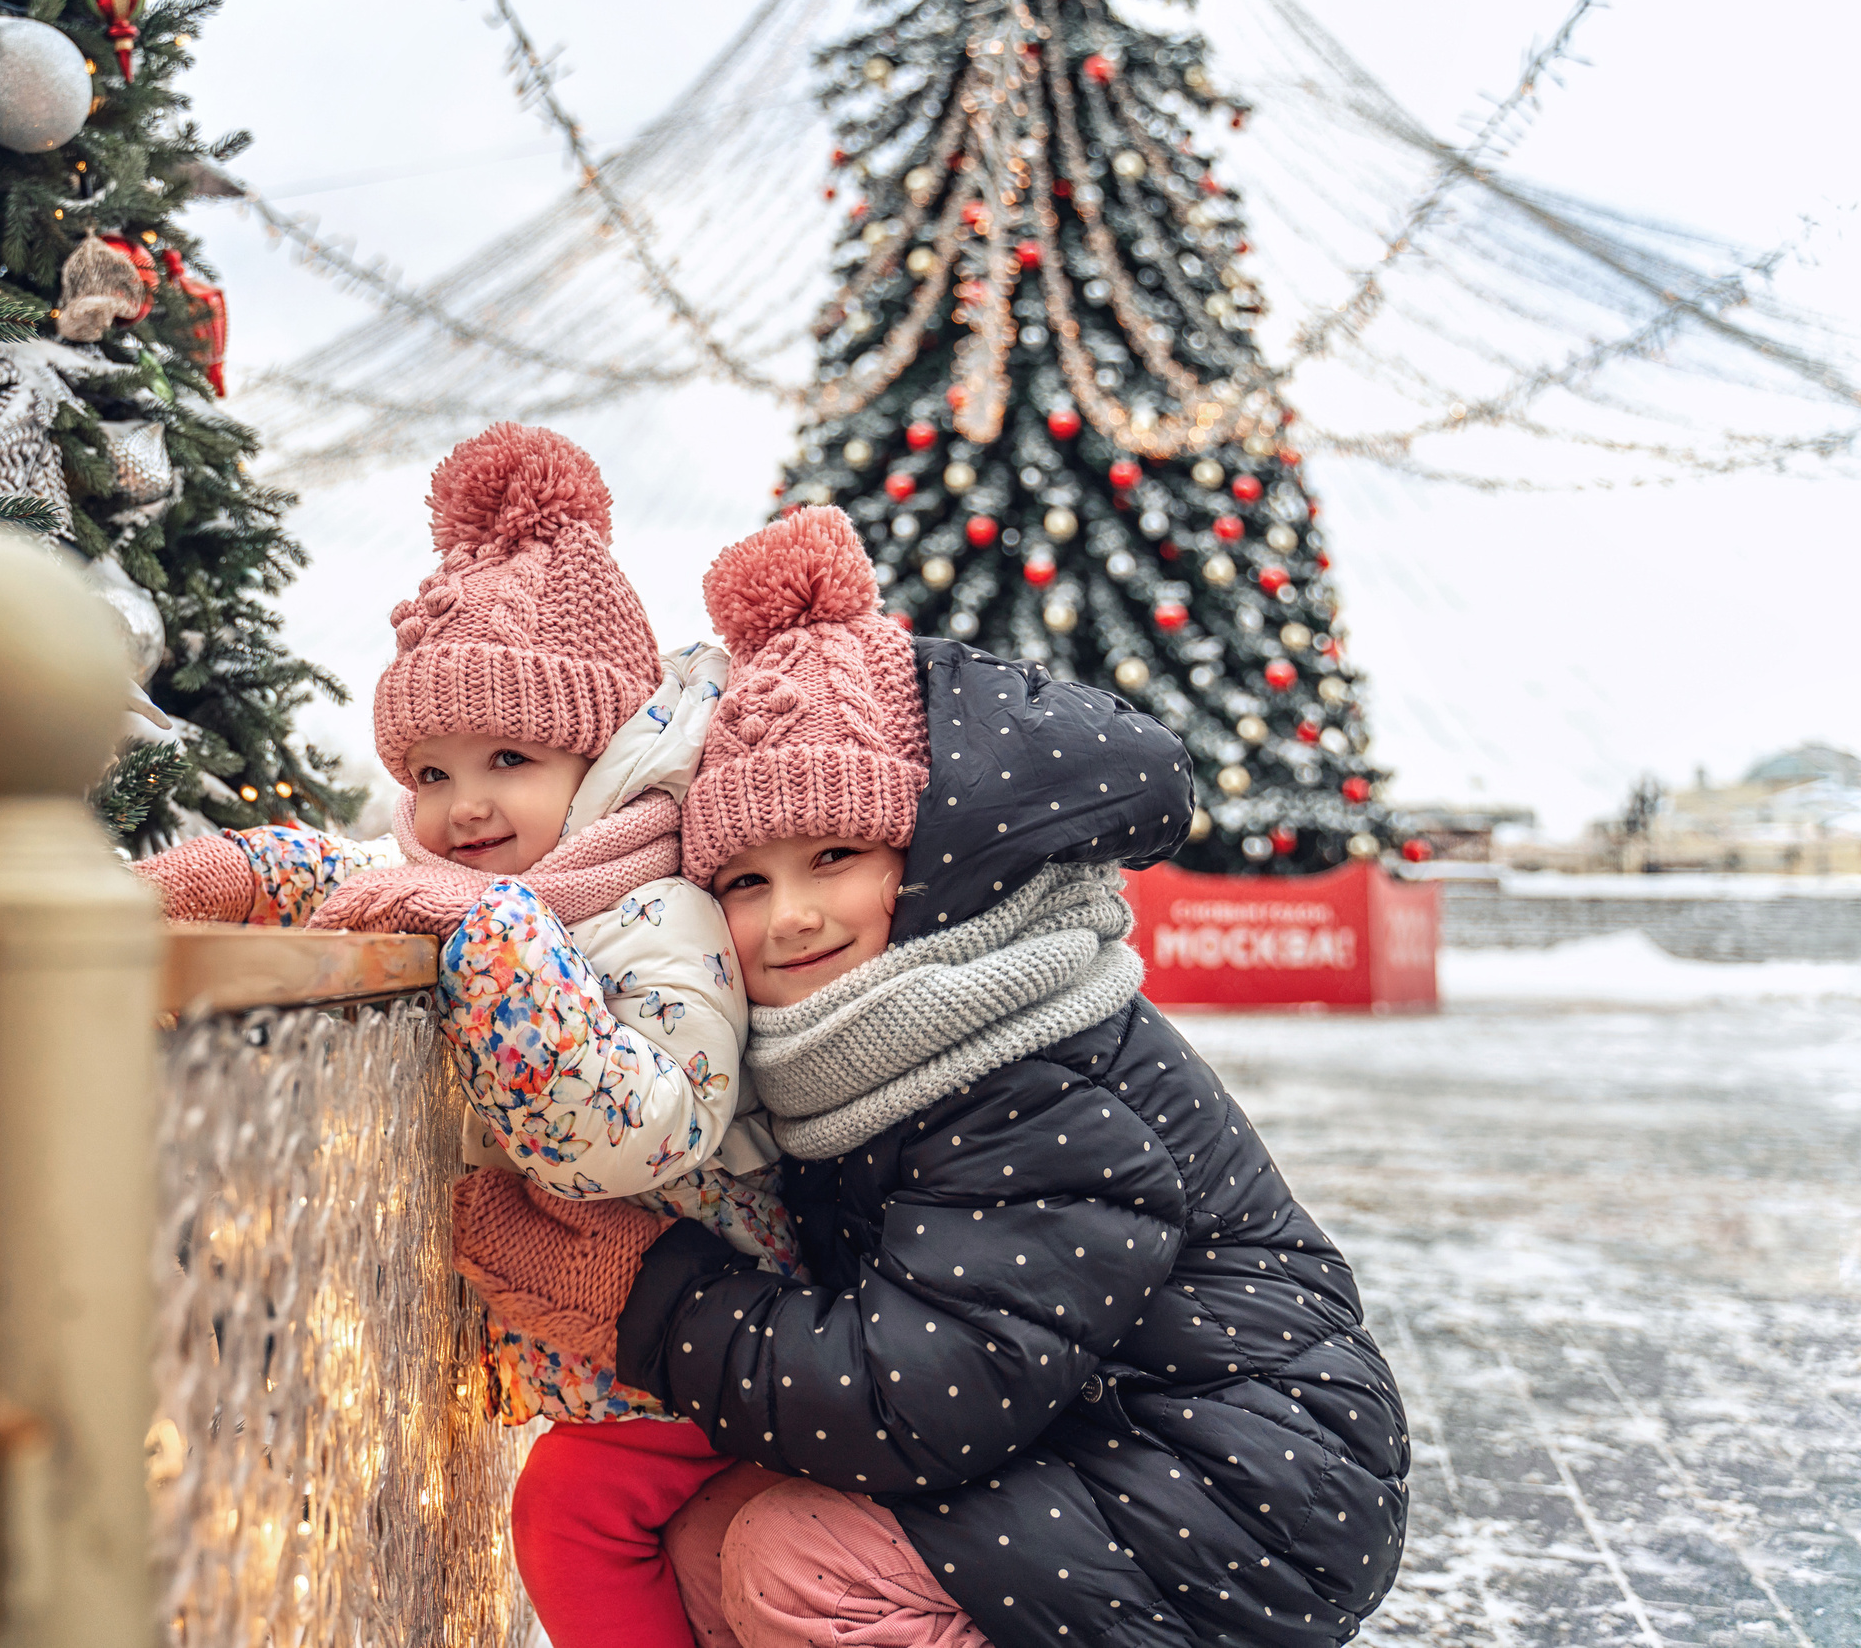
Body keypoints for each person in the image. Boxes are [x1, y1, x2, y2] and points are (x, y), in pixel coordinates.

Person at [453, 507, 1409, 1647]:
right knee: (687, 1529)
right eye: (744, 882)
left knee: (794, 1565)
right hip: (1081, 1449)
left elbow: (915, 1393)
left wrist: (645, 1292)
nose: (790, 914)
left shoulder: (1024, 1064)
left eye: (836, 858)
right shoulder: (858, 1047)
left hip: (1239, 1490)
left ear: (927, 869)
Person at [138, 424, 797, 1648]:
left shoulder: (659, 908)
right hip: (615, 1350)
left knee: (570, 1510)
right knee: (583, 1519)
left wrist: (492, 931)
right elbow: (374, 883)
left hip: (713, 1333)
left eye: (510, 757)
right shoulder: (523, 890)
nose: (465, 804)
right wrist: (238, 871)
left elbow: (637, 1134)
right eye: (432, 773)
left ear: (599, 756)